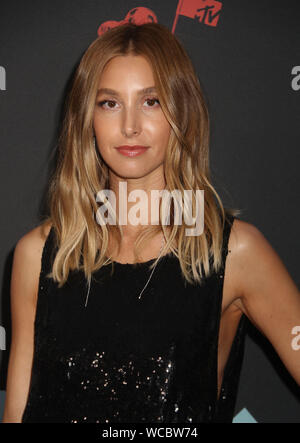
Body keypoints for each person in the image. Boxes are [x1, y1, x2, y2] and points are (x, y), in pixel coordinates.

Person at [2, 22, 300, 423]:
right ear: (86, 118)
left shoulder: (232, 253)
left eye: (152, 101)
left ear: (183, 111)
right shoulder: (39, 255)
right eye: (109, 103)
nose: (130, 126)